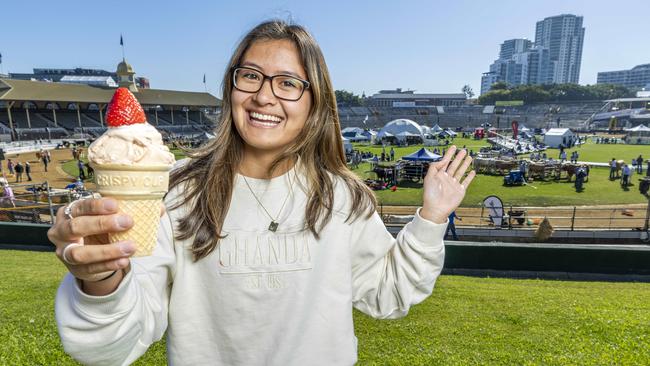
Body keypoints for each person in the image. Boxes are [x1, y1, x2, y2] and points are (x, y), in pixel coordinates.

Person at [49, 20, 476, 366]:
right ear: (231, 88)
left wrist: (432, 217)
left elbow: (390, 294)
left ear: (315, 103)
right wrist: (101, 279)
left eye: (288, 83)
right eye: (250, 76)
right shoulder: (176, 192)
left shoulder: (341, 197)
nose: (264, 96)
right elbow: (110, 347)